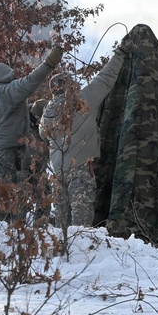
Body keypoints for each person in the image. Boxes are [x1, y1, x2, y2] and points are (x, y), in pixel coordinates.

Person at [39, 47, 127, 229]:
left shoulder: (46, 113)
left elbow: (42, 134)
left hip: (58, 174)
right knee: (81, 228)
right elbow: (105, 78)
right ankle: (83, 255)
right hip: (79, 170)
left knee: (63, 227)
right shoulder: (82, 99)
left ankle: (65, 256)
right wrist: (120, 55)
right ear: (70, 86)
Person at [0, 45, 64, 224]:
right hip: (3, 151)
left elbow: (12, 120)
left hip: (3, 150)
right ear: (4, 75)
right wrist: (49, 64)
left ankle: (2, 231)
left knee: (8, 192)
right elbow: (30, 82)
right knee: (1, 193)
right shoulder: (5, 92)